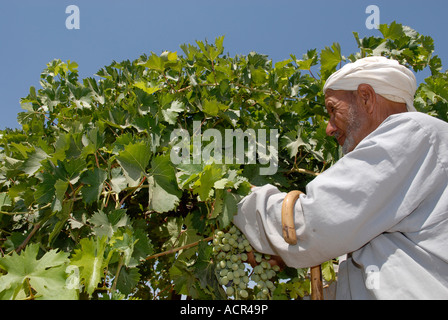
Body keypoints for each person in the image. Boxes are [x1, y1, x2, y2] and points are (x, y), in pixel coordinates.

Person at [233, 56, 448, 299]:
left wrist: (237, 198)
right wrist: (288, 254)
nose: (329, 128)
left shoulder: (412, 131)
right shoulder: (413, 159)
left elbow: (314, 220)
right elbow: (373, 275)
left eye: (333, 110)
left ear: (365, 97)